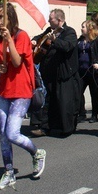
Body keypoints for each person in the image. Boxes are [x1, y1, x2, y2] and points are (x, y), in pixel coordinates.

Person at [0, 3, 46, 189]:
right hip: (3, 92)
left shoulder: (21, 37)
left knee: (12, 133)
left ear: (10, 17)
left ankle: (37, 153)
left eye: (0, 17)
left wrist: (10, 41)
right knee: (3, 136)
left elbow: (17, 60)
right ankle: (9, 172)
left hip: (21, 92)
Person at [34, 9, 81, 137]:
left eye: (51, 19)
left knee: (63, 101)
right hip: (49, 72)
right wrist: (34, 40)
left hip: (64, 73)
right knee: (49, 100)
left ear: (59, 20)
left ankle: (66, 128)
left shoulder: (69, 32)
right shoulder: (49, 30)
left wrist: (55, 40)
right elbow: (39, 37)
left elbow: (67, 46)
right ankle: (45, 127)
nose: (49, 21)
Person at [77, 20, 98, 123]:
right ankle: (81, 114)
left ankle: (94, 114)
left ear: (90, 29)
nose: (81, 28)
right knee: (78, 92)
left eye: (83, 27)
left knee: (94, 93)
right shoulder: (80, 40)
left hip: (95, 72)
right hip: (82, 71)